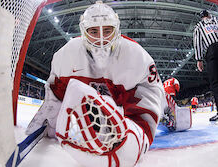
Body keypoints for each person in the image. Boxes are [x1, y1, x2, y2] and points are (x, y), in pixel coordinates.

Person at [25, 1, 164, 167]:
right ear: (83, 31)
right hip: (96, 108)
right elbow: (55, 97)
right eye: (93, 31)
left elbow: (145, 114)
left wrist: (131, 144)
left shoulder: (137, 57)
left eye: (107, 30)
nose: (101, 39)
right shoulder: (66, 55)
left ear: (117, 29)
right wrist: (49, 124)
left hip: (122, 110)